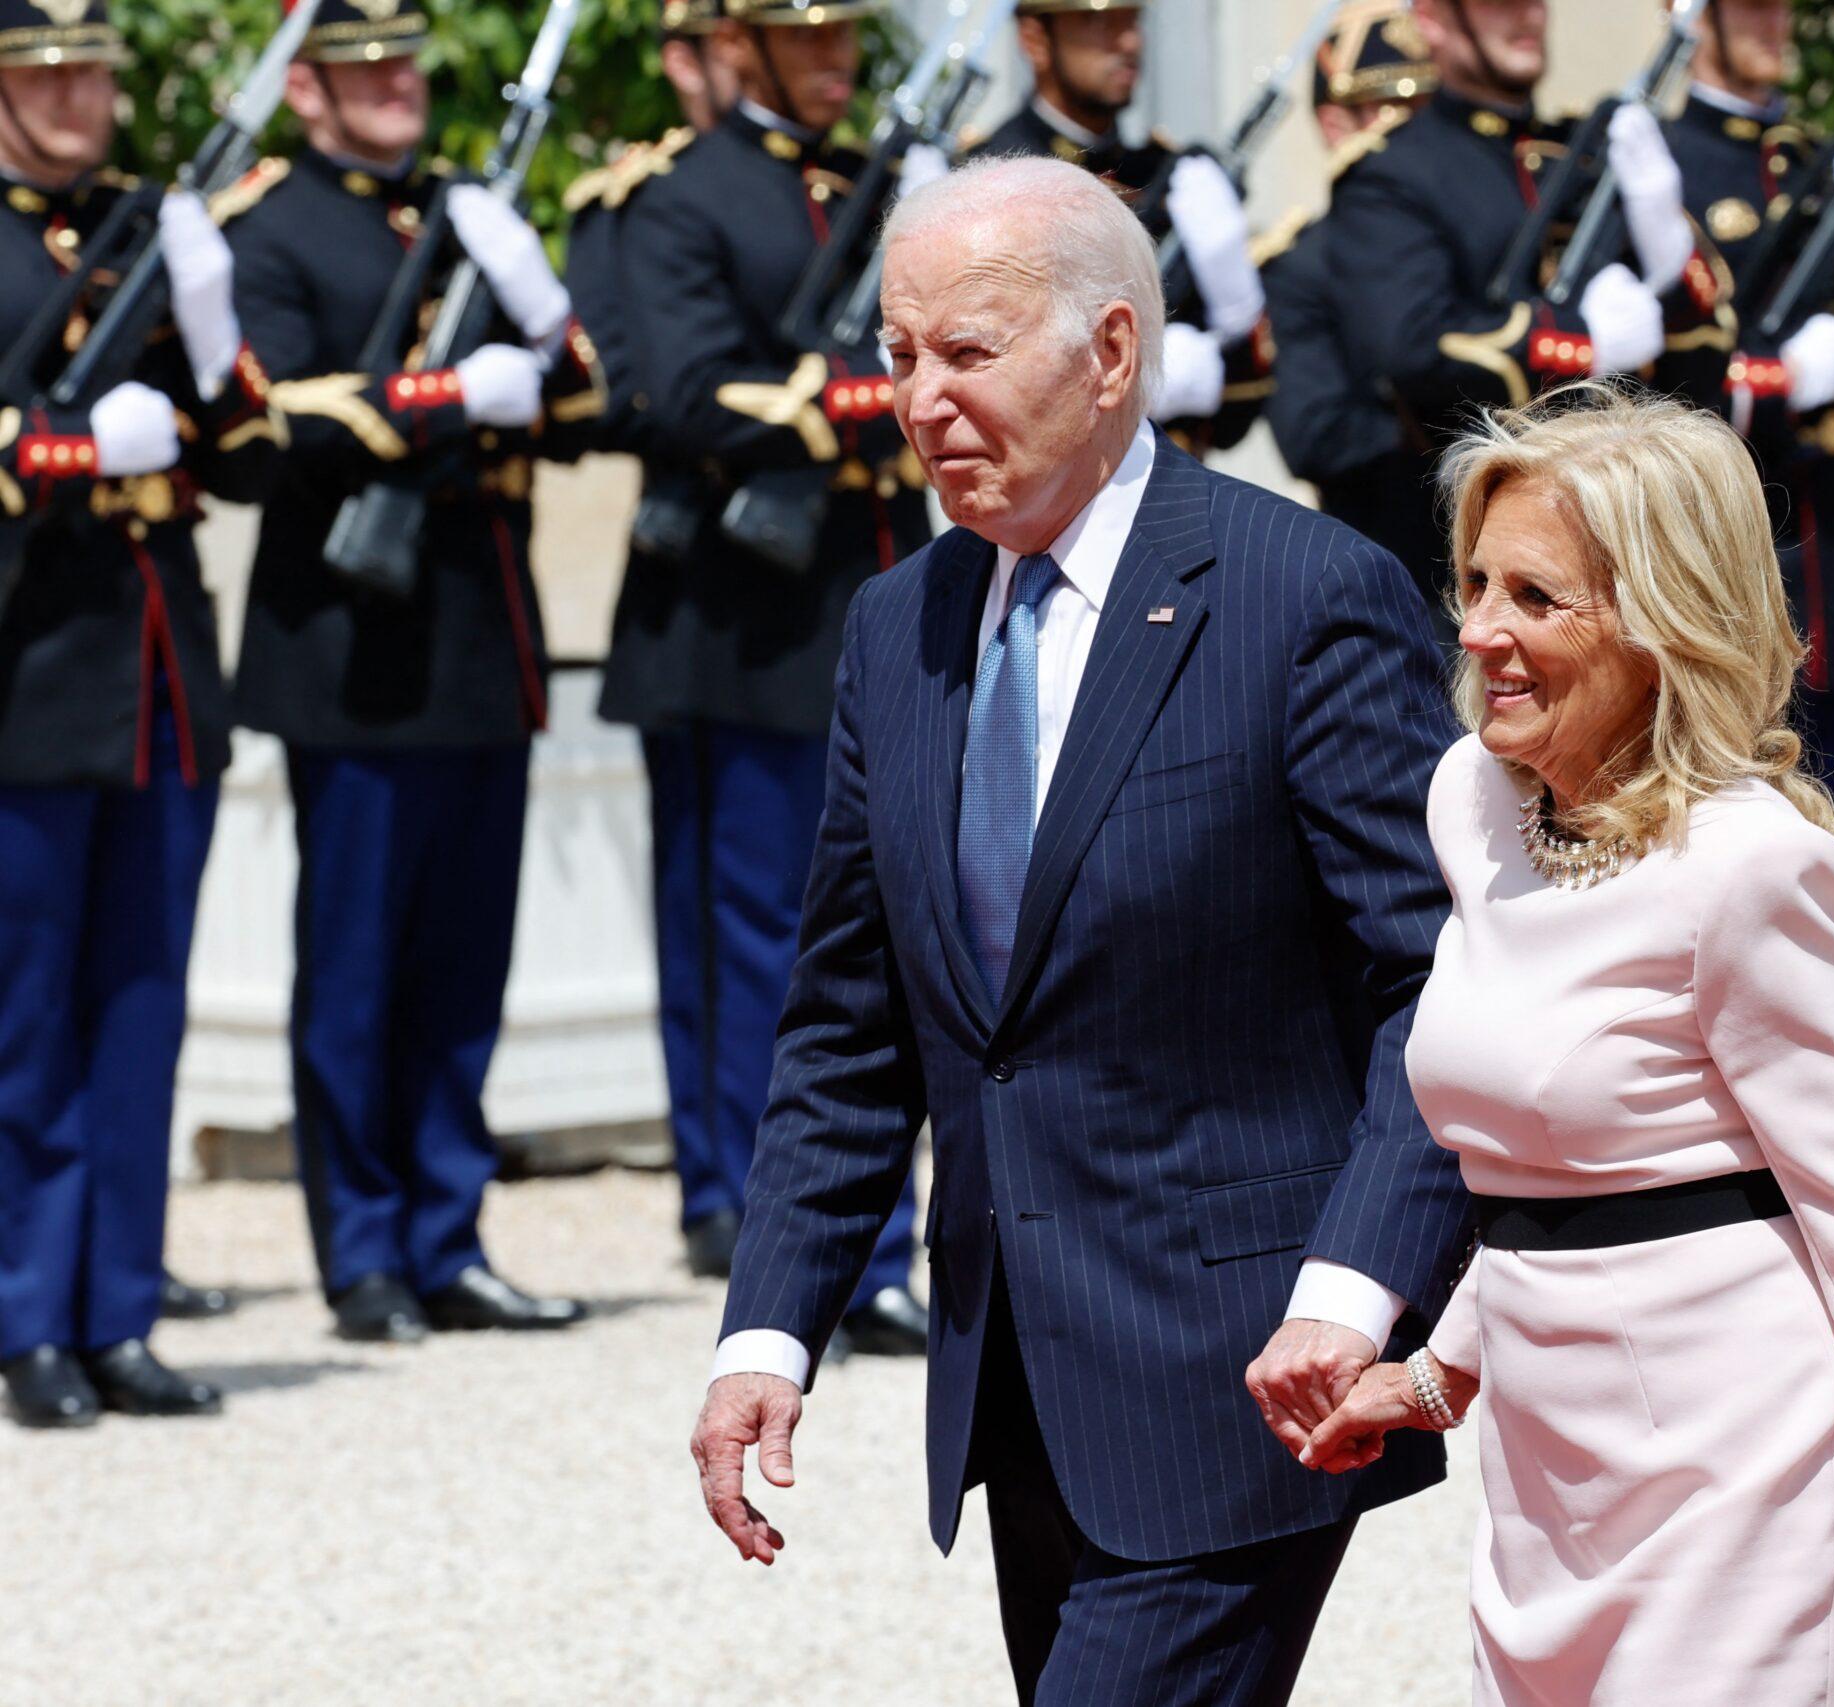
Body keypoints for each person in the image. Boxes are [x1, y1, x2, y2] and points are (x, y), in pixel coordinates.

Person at [689, 156, 1473, 1702]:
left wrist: (1351, 1292)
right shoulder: (897, 623)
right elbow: (854, 1024)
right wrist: (766, 1335)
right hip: (1016, 1386)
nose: (918, 401)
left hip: (1246, 1378)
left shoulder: (1298, 593)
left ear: (1111, 351)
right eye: (900, 356)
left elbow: (1439, 985)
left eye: (966, 354)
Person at [1302, 385, 1834, 1706]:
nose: (1478, 630)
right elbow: (1549, 1153)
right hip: (1544, 1483)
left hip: (1743, 1473)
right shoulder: (1472, 799)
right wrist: (1438, 1366)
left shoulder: (1755, 871)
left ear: (1657, 620)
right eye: (1473, 582)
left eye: (1534, 595)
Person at [219, 0, 603, 1344]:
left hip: (471, 639)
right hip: (350, 648)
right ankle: (365, 1249)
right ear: (308, 93)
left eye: (401, 63)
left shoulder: (471, 211)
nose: (391, 85)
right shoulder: (266, 224)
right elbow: (260, 421)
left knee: (460, 966)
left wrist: (540, 320)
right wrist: (444, 398)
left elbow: (583, 397)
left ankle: (449, 1231)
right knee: (359, 965)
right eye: (359, 68)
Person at [582, 1, 932, 1357]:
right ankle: (775, 1235)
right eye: (806, 36)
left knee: (894, 937)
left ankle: (869, 1243)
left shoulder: (892, 190)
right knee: (772, 945)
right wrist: (846, 395)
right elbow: (677, 388)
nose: (835, 55)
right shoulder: (687, 196)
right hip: (750, 626)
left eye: (848, 34)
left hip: (885, 597)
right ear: (742, 45)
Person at [0, 0, 277, 1428]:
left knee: (138, 1007)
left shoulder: (151, 228)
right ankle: (26, 1314)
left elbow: (247, 452)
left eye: (92, 72)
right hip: (28, 680)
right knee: (25, 1014)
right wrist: (53, 444)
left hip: (159, 680)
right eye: (43, 74)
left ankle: (118, 1306)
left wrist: (215, 324)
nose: (74, 98)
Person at [1647, 0, 1834, 859]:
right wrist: (1777, 381)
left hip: (1821, 558)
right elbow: (1653, 381)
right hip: (1706, 555)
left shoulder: (1821, 166)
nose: (1777, 23)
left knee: (1832, 854)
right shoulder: (1659, 166)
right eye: (1752, 7)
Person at [1322, 0, 1689, 601]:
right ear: (1434, 20)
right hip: (1470, 557)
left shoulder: (1580, 153)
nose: (1528, 18)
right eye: (1499, 4)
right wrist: (1577, 343)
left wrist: (1667, 249)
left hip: (1619, 546)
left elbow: (1692, 344)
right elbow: (1412, 345)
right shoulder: (1393, 174)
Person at [965, 0, 1274, 455]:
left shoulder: (1167, 174)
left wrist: (1238, 315)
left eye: (1131, 20)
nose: (1128, 41)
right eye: (1097, 21)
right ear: (1034, 39)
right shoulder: (990, 176)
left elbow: (1236, 416)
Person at [1262, 3, 1446, 616]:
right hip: (1389, 572)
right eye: (1387, 110)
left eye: (1423, 110)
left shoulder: (1459, 245)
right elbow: (1313, 433)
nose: (1410, 132)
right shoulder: (1302, 262)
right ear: (1336, 122)